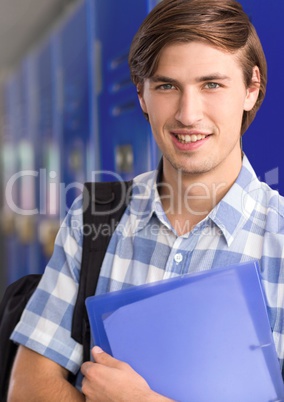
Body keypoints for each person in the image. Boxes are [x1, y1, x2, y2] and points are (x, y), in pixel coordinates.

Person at [7, 0, 284, 400]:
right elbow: (27, 389)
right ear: (141, 94)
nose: (188, 114)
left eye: (212, 84)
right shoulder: (94, 217)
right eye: (167, 86)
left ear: (251, 88)